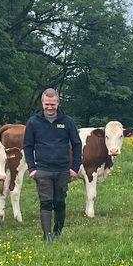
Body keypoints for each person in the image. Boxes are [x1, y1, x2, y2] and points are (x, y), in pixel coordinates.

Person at [23, 88, 83, 243]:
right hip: (42, 169)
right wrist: (32, 168)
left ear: (58, 103)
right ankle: (47, 235)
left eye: (53, 104)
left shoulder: (67, 122)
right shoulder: (33, 122)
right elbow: (28, 146)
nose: (50, 107)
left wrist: (75, 168)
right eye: (47, 104)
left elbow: (77, 145)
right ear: (42, 103)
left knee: (59, 202)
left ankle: (57, 231)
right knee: (46, 202)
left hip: (63, 169)